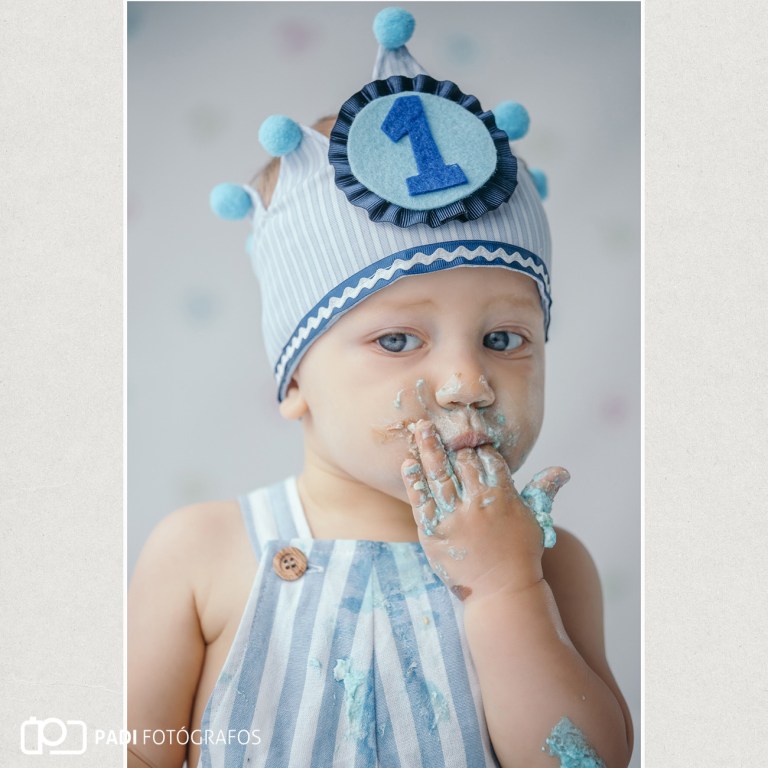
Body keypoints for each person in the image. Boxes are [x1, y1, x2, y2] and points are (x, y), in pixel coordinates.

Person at [128, 8, 633, 767]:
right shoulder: (204, 551)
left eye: (504, 339)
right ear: (296, 378)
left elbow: (584, 761)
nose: (467, 381)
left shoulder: (551, 564)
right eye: (397, 340)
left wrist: (505, 590)